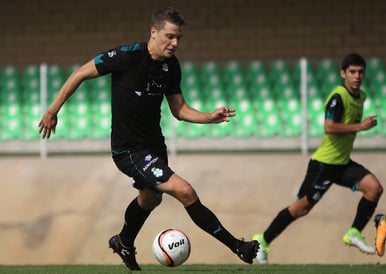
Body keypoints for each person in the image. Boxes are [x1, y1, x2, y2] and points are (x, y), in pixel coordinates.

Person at [38, 7, 258, 271]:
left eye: (178, 38)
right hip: (128, 150)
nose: (175, 43)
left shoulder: (170, 66)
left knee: (150, 199)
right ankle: (238, 246)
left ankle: (123, 242)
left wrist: (209, 117)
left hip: (154, 147)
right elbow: (80, 74)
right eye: (170, 36)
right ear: (154, 33)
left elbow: (180, 110)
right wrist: (52, 110)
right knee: (185, 191)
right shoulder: (127, 56)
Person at [252, 53, 383, 264]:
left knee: (374, 188)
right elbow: (329, 127)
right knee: (300, 209)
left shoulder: (362, 96)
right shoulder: (338, 96)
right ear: (343, 74)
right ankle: (262, 241)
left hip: (342, 163)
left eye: (360, 72)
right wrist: (361, 126)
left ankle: (354, 233)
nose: (357, 76)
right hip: (323, 165)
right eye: (352, 72)